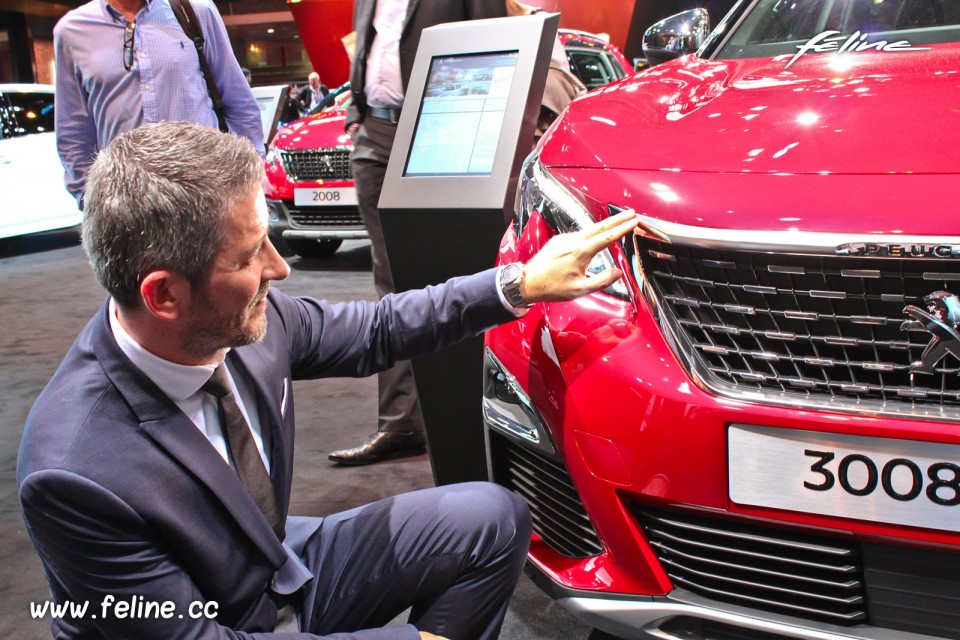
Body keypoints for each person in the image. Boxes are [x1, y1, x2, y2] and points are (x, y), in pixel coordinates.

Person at [17, 121, 640, 639]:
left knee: (492, 517)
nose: (279, 268)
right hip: (209, 622)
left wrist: (520, 283)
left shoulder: (240, 318)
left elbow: (379, 330)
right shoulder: (74, 471)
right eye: (249, 255)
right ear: (164, 295)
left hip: (273, 564)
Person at [329, 0, 509, 466]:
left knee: (458, 271)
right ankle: (400, 424)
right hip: (375, 132)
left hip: (442, 132)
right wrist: (356, 114)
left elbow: (491, 41)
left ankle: (476, 422)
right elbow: (369, 47)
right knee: (389, 278)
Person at [54, 0, 264, 205]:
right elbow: (73, 131)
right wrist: (89, 198)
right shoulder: (72, 30)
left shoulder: (195, 12)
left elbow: (239, 103)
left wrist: (250, 184)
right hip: (125, 202)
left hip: (205, 192)